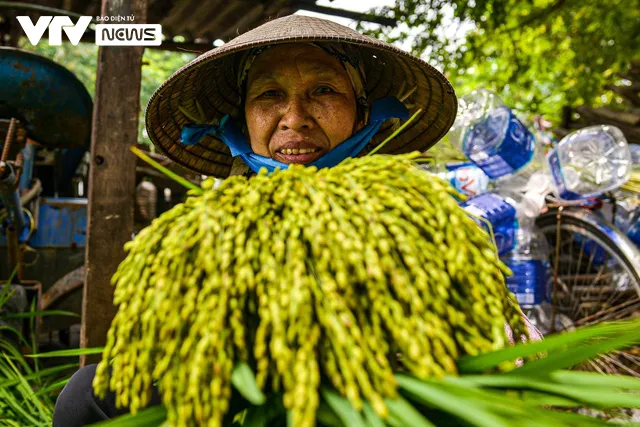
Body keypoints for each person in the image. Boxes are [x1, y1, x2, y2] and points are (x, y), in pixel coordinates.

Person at [53, 14, 533, 426]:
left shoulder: (430, 220)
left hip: (384, 403)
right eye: (269, 95)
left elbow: (507, 352)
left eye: (323, 90)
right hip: (241, 395)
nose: (294, 117)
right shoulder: (212, 226)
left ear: (362, 112)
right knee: (84, 397)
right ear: (243, 119)